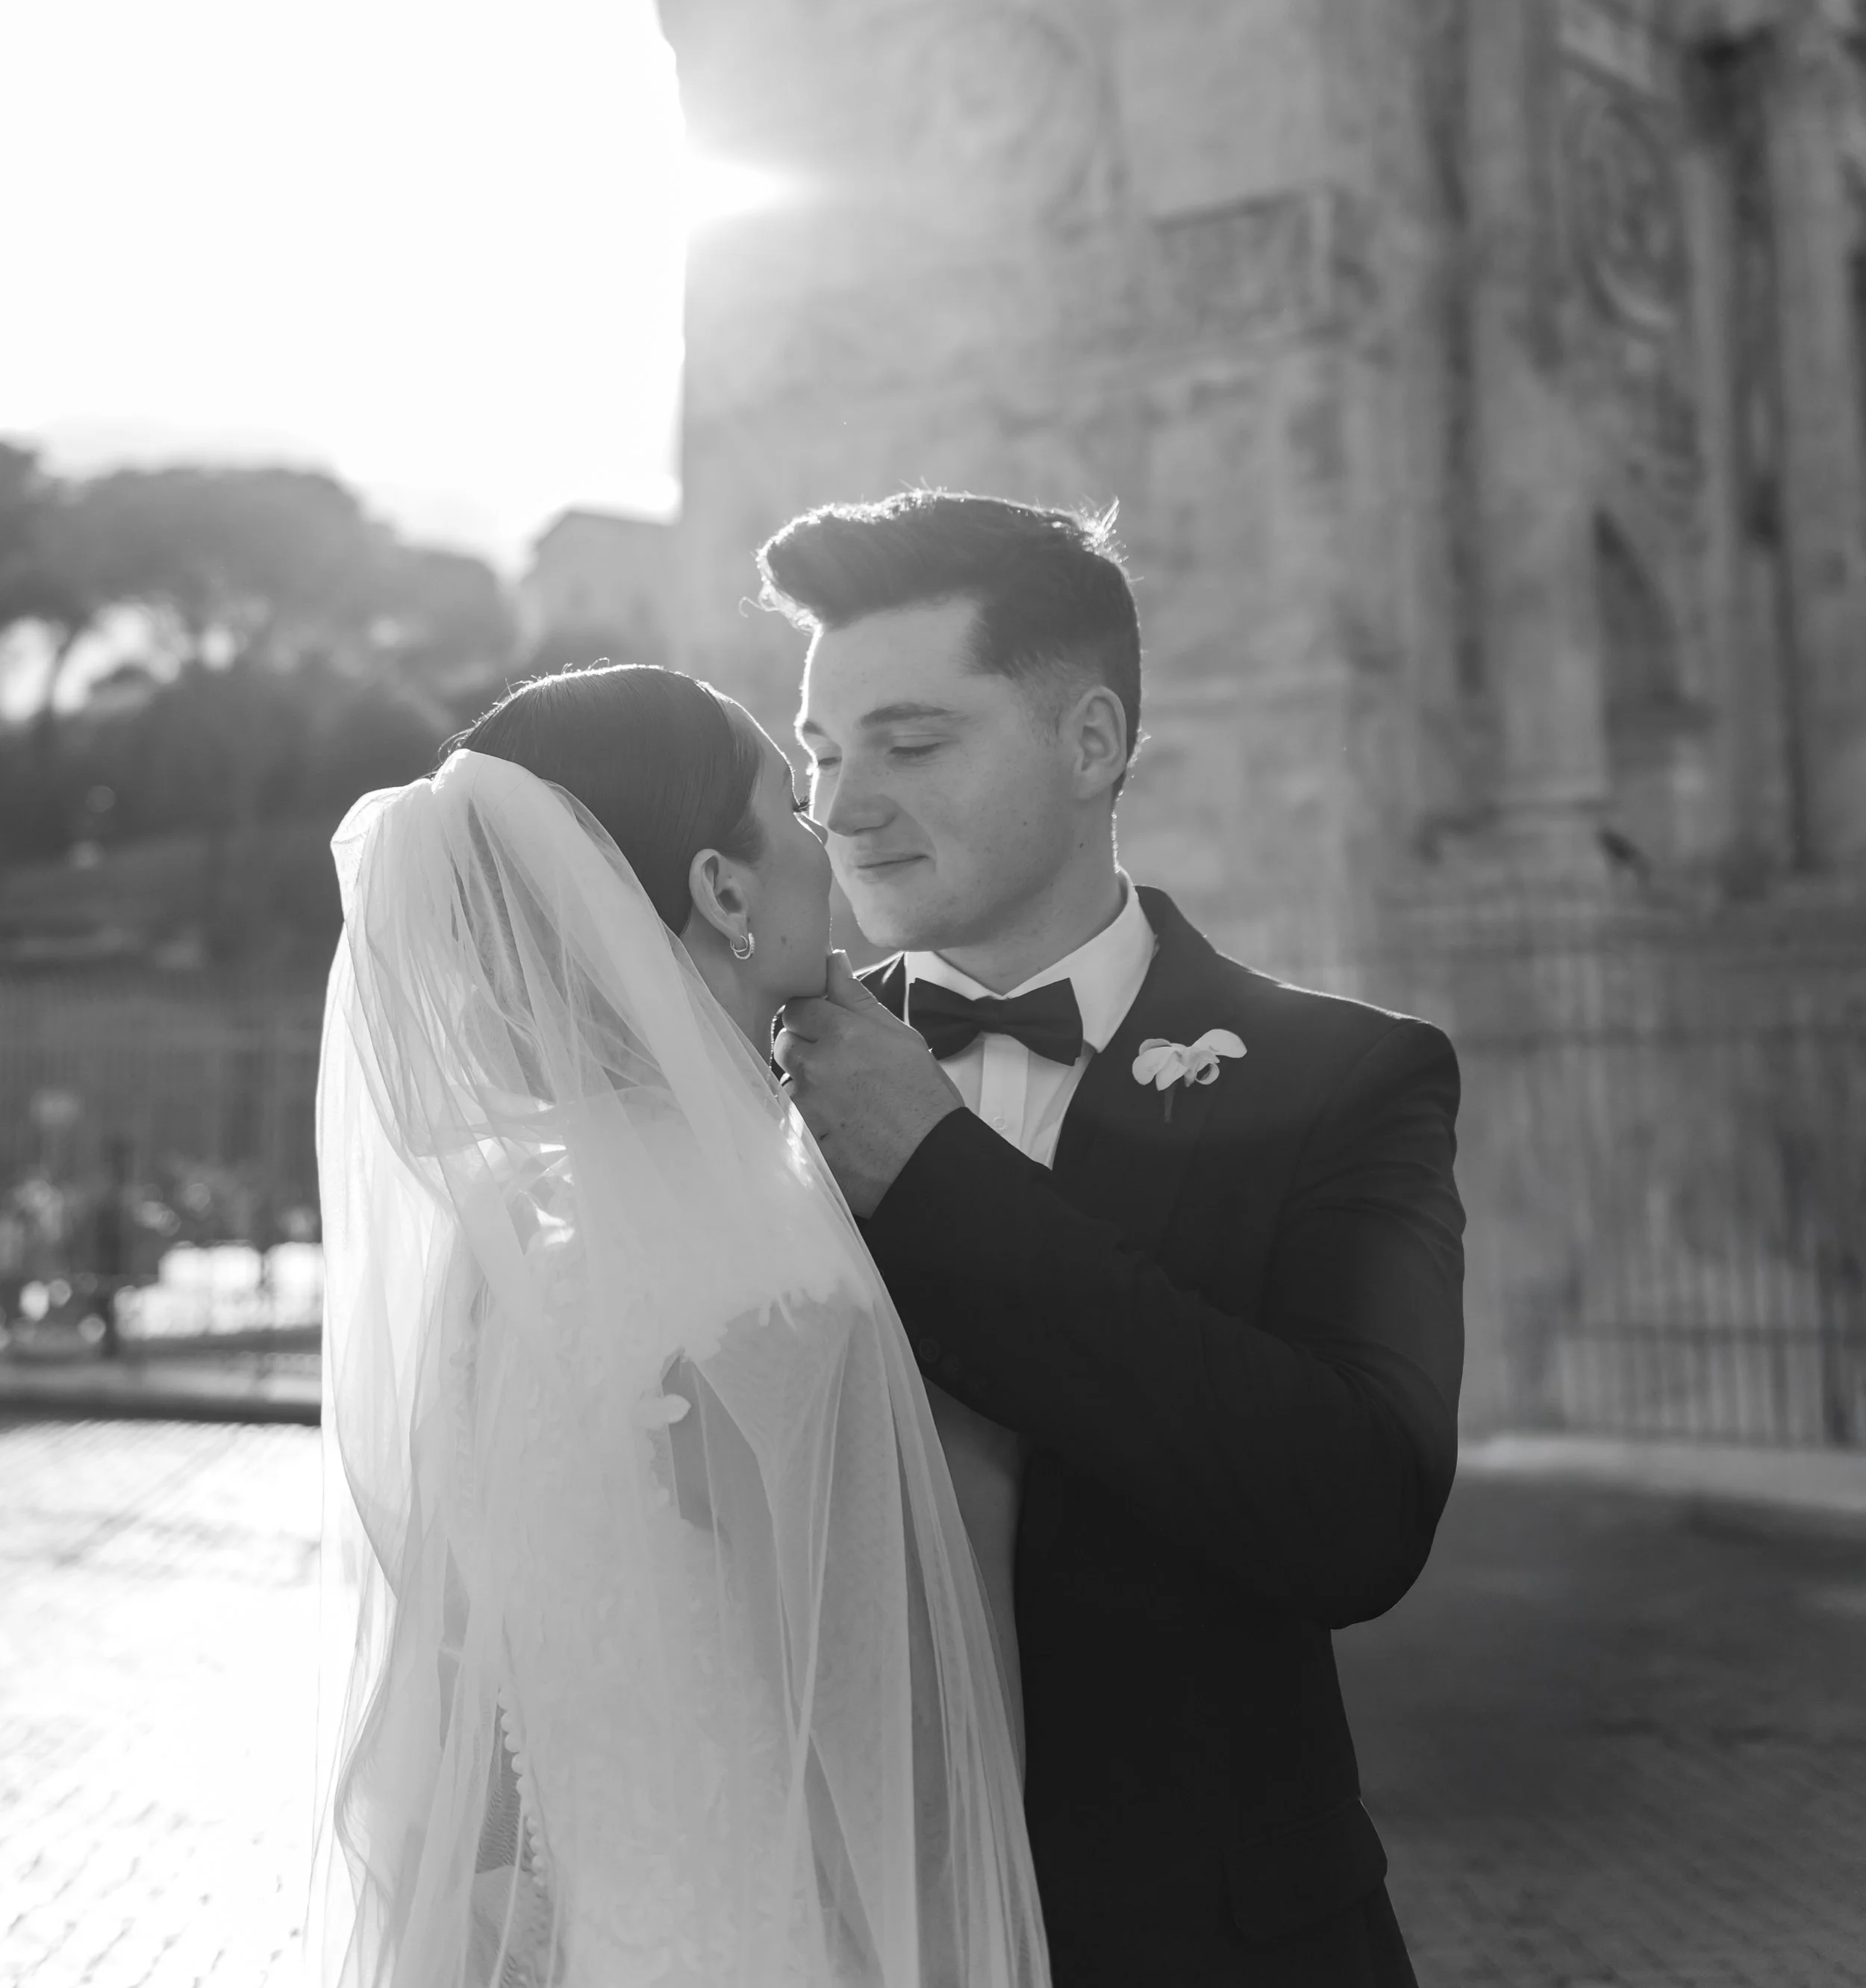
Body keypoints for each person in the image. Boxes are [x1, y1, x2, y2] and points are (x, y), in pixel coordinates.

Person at [764, 492, 1465, 1988]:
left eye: (910, 742)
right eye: (820, 757)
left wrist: (938, 1173)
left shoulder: (1347, 1081)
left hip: (1212, 1944)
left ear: (1090, 743)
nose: (842, 808)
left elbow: (1354, 1515)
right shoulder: (751, 1082)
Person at [310, 661, 1049, 1988]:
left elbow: (477, 1751)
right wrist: (983, 1489)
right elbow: (911, 1802)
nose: (827, 830)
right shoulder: (768, 1290)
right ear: (721, 889)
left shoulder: (501, 1275)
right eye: (792, 805)